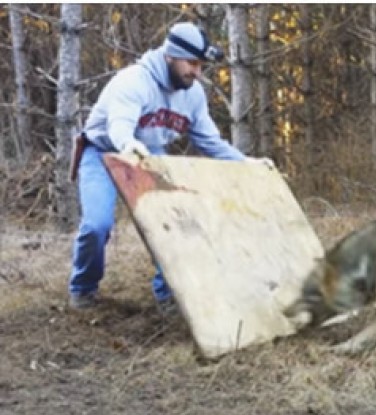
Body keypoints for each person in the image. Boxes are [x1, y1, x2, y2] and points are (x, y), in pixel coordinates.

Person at [68, 22, 261, 314]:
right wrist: (127, 144)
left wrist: (245, 164)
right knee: (97, 225)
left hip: (150, 155)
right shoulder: (134, 81)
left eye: (201, 66)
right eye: (192, 64)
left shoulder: (193, 95)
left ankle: (168, 294)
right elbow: (119, 123)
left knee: (170, 225)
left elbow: (210, 141)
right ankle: (83, 290)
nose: (197, 72)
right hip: (103, 150)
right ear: (171, 55)